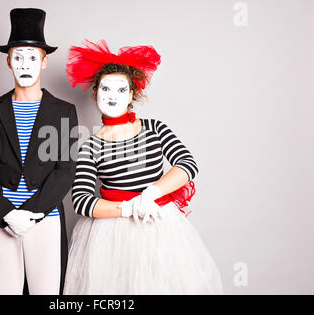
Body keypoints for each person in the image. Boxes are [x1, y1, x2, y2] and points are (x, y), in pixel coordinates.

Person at [62, 39, 223, 294]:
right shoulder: (89, 145)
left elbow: (187, 164)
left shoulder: (155, 128)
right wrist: (127, 208)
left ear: (131, 95)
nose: (112, 96)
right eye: (105, 89)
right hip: (109, 237)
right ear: (95, 93)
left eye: (120, 90)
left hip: (159, 227)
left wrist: (151, 194)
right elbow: (81, 201)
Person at [0, 8, 78, 295]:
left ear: (44, 62)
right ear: (9, 62)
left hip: (44, 219)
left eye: (32, 57)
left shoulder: (62, 112)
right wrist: (8, 214)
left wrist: (29, 213)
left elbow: (64, 171)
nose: (25, 64)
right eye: (18, 57)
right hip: (2, 220)